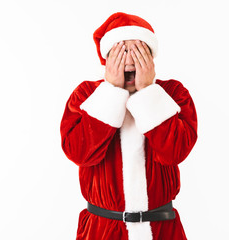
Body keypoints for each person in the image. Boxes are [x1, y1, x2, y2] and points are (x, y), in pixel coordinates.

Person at [60, 12, 198, 240]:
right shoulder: (86, 95)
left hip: (162, 230)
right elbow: (79, 153)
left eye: (139, 50)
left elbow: (175, 151)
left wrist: (148, 93)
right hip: (102, 231)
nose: (131, 60)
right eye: (122, 51)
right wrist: (111, 93)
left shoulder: (174, 94)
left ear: (151, 55)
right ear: (107, 56)